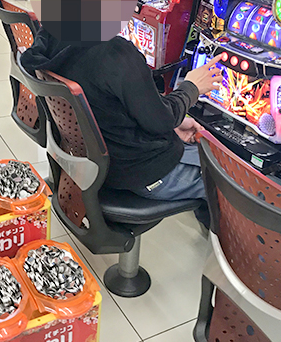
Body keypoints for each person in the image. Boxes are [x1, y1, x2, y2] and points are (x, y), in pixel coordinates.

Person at [21, 27, 224, 228]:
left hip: (92, 165)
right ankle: (224, 243)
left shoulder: (49, 34)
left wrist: (169, 121)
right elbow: (162, 121)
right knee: (226, 178)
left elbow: (113, 105)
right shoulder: (114, 51)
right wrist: (191, 88)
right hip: (141, 172)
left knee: (203, 152)